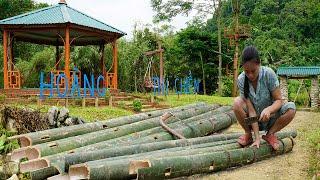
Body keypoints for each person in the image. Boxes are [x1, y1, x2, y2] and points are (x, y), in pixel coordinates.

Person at [233, 46, 296, 150]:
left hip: (271, 118)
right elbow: (251, 111)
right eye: (246, 71)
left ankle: (270, 134)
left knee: (291, 108)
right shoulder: (241, 79)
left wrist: (269, 110)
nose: (250, 75)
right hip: (254, 120)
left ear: (259, 64)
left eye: (253, 71)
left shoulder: (268, 74)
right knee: (237, 102)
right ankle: (248, 135)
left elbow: (279, 100)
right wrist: (257, 138)